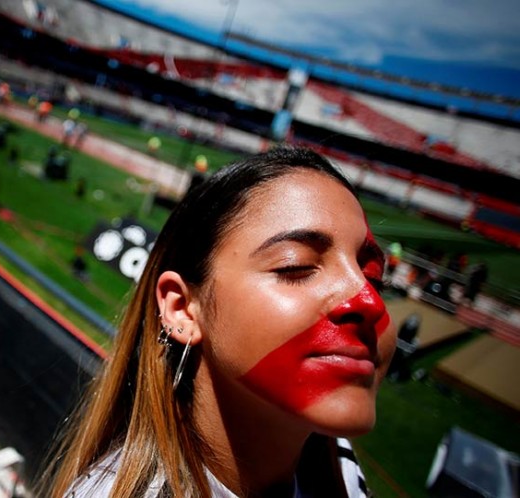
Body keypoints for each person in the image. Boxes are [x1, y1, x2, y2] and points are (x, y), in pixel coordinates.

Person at [38, 146, 396, 498]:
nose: (370, 301)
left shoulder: (337, 462)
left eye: (374, 279)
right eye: (295, 266)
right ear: (182, 310)